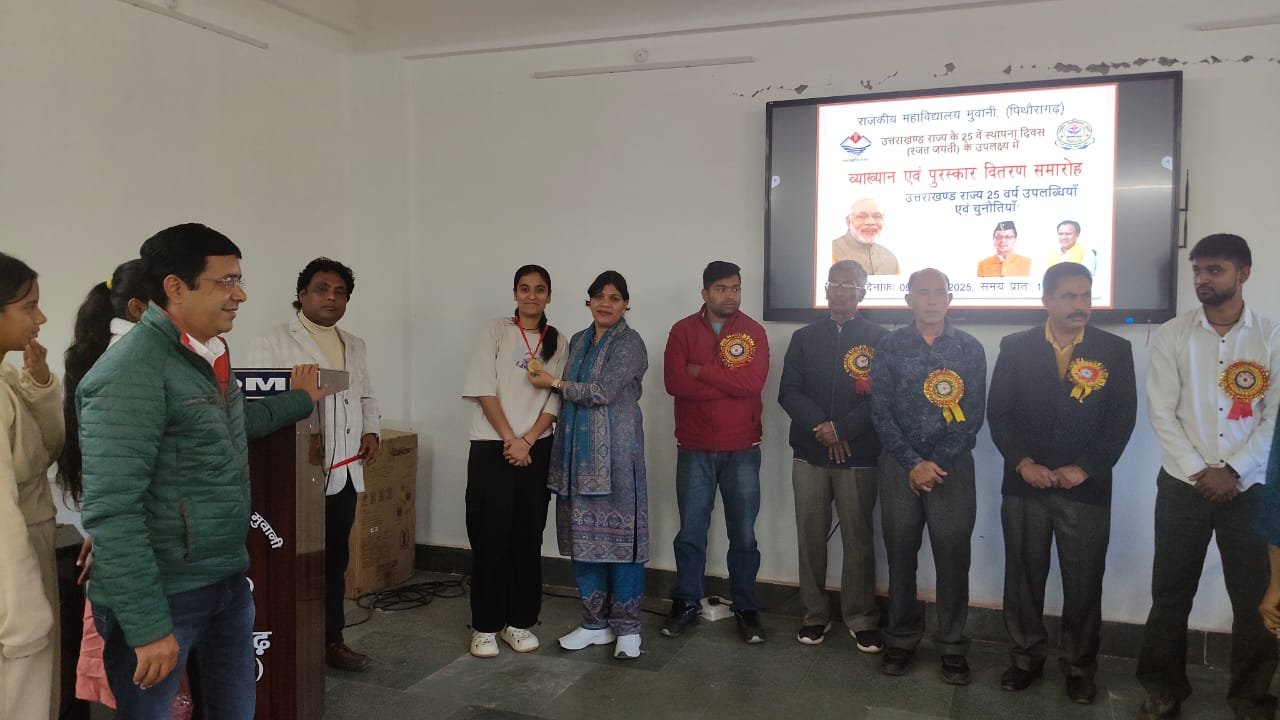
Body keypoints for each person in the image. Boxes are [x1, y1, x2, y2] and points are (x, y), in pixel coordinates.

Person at [78, 223, 325, 719]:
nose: (241, 294)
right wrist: (148, 627)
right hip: (165, 593)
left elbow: (233, 424)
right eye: (226, 281)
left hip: (224, 580)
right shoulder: (131, 372)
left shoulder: (205, 355)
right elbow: (113, 510)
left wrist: (299, 400)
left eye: (239, 280)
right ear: (175, 287)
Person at [1137, 233, 1280, 720]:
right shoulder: (1172, 335)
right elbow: (1162, 412)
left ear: (1243, 274)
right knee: (1170, 594)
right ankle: (1163, 689)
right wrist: (1202, 472)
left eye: (1214, 270)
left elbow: (1274, 417)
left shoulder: (1271, 337)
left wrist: (1233, 470)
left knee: (1255, 598)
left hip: (1251, 489)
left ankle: (1251, 698)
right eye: (1198, 270)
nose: (1202, 279)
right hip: (1183, 486)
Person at [987, 263, 1136, 704]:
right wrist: (1022, 463)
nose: (1080, 305)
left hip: (1084, 488)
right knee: (1023, 578)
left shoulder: (1114, 349)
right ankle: (1025, 659)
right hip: (1025, 485)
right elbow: (999, 413)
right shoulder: (1015, 346)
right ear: (1047, 300)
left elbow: (1121, 419)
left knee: (1084, 582)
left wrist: (1086, 467)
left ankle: (1079, 667)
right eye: (1070, 296)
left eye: (1086, 296)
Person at [59, 260, 197, 715]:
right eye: (174, 298)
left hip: (120, 534)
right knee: (144, 671)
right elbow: (122, 488)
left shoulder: (122, 354)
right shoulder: (131, 364)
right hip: (134, 543)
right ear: (141, 308)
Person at [246, 257, 381, 672]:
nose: (331, 298)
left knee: (333, 562)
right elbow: (257, 407)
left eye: (340, 292)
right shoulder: (271, 341)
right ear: (302, 294)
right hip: (292, 477)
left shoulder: (354, 343)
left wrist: (371, 431)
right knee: (287, 563)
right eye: (322, 289)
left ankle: (330, 640)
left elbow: (365, 395)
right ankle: (285, 643)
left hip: (342, 473)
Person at [871, 268, 986, 684]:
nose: (933, 300)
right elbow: (880, 410)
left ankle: (952, 645)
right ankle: (901, 639)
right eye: (923, 292)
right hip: (899, 467)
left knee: (953, 558)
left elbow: (972, 415)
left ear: (950, 299)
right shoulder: (890, 345)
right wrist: (911, 462)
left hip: (951, 469)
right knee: (900, 554)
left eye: (940, 292)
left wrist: (934, 463)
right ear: (909, 300)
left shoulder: (969, 348)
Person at [528, 271, 648, 660]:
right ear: (589, 301)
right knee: (585, 541)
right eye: (598, 296)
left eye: (614, 298)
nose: (605, 304)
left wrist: (554, 383)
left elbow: (602, 391)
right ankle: (594, 623)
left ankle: (628, 628)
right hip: (578, 457)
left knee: (622, 543)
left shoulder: (630, 342)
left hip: (618, 459)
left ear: (626, 304)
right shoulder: (578, 340)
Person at [778, 260, 888, 650]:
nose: (840, 291)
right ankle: (814, 615)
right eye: (834, 284)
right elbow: (788, 391)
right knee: (810, 538)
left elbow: (883, 397)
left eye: (849, 285)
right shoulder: (803, 337)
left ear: (863, 292)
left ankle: (861, 617)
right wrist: (823, 429)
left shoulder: (881, 338)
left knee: (858, 539)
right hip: (809, 453)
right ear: (825, 290)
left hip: (859, 454)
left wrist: (842, 430)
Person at [459, 265, 568, 658]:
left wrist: (528, 441)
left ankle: (519, 622)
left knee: (526, 537)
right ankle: (485, 626)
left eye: (539, 289)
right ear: (515, 293)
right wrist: (511, 439)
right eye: (525, 288)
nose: (532, 295)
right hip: (493, 446)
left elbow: (554, 400)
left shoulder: (559, 340)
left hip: (535, 449)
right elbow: (483, 389)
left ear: (549, 295)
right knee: (489, 537)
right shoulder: (496, 331)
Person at [661, 261, 770, 644]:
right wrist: (727, 383)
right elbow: (675, 383)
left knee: (744, 535)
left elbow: (753, 383)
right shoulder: (682, 331)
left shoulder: (753, 331)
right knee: (691, 532)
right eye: (722, 288)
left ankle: (746, 608)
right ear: (705, 292)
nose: (730, 295)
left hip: (742, 447)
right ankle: (686, 602)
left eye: (736, 288)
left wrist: (702, 371)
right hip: (694, 448)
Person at [0, 252, 63, 720]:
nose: (40, 319)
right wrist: (23, 614)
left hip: (29, 543)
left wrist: (40, 385)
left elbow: (47, 449)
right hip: (11, 565)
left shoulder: (7, 374)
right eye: (28, 307)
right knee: (23, 699)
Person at [831, 198, 900, 275]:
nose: (870, 222)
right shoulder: (831, 251)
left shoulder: (891, 259)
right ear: (848, 221)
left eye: (877, 216)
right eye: (861, 216)